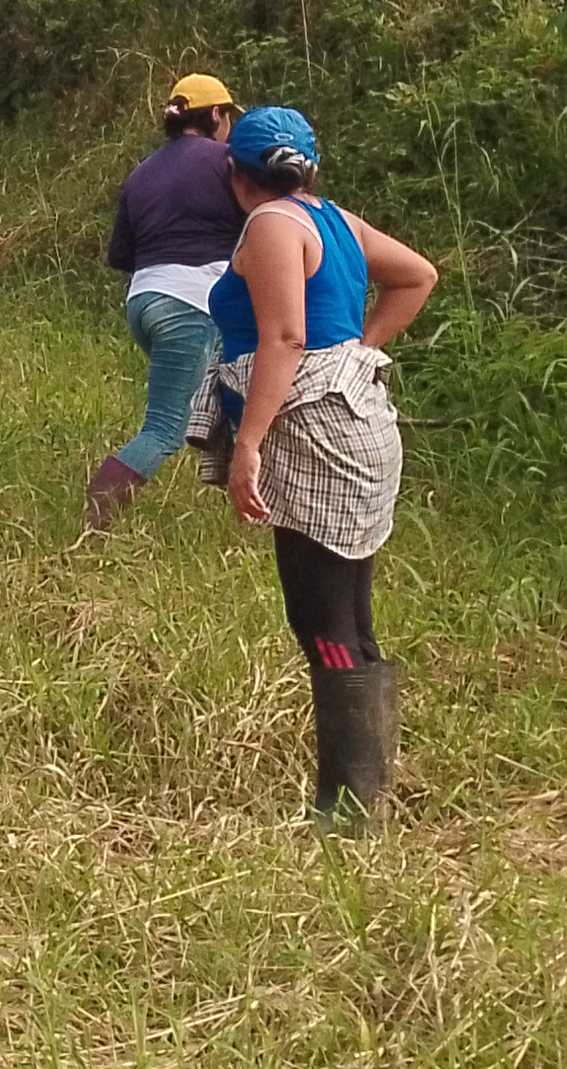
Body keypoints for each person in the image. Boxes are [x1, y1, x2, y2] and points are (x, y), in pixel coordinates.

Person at [193, 105, 437, 821]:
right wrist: (358, 351)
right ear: (311, 167)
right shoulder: (334, 220)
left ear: (235, 173)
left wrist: (248, 444)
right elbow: (417, 276)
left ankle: (349, 807)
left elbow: (286, 337)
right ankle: (367, 787)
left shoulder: (270, 225)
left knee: (321, 618)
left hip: (314, 437)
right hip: (357, 426)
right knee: (348, 612)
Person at [87, 73, 246, 532]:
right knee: (164, 428)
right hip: (191, 304)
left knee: (231, 394)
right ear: (215, 115)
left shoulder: (142, 172)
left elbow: (120, 254)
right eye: (228, 117)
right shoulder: (228, 163)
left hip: (144, 300)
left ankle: (248, 507)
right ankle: (95, 519)